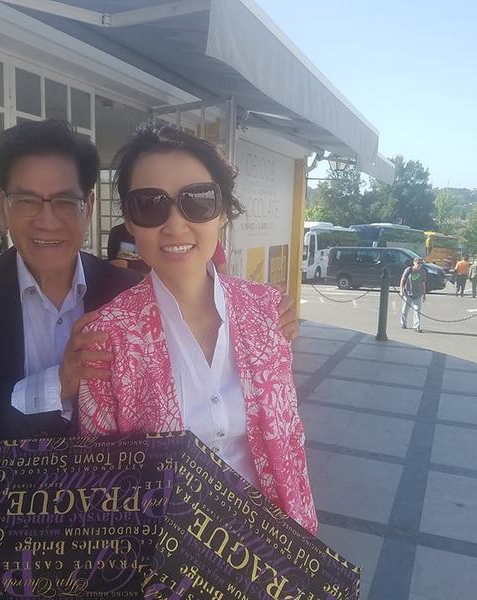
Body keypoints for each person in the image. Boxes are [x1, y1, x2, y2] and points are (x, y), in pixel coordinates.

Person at [0, 120, 300, 502]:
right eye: (27, 201)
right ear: (2, 204)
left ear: (90, 206)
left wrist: (262, 318)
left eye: (65, 202)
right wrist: (56, 384)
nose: (47, 221)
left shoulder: (126, 294)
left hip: (101, 517)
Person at [77, 124, 317, 534]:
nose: (175, 225)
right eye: (150, 205)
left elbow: (289, 442)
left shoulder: (266, 311)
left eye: (199, 201)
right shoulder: (108, 337)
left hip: (271, 551)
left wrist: (303, 541)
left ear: (222, 212)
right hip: (163, 558)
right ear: (130, 222)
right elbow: (100, 479)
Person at [400, 257, 427, 332]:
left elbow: (423, 283)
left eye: (421, 263)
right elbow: (403, 280)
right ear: (414, 263)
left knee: (417, 310)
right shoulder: (409, 270)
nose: (419, 264)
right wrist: (401, 291)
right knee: (405, 310)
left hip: (418, 294)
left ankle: (417, 327)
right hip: (407, 293)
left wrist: (424, 294)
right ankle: (403, 323)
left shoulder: (423, 271)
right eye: (418, 263)